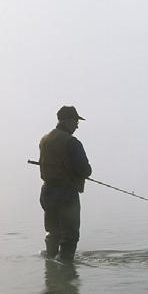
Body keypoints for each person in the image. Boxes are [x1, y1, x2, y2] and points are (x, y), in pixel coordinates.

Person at [39, 106, 92, 262]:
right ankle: (66, 268)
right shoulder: (72, 142)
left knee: (52, 232)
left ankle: (51, 267)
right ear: (68, 121)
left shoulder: (45, 139)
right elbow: (85, 170)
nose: (77, 125)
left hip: (47, 192)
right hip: (66, 194)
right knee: (70, 236)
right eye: (76, 121)